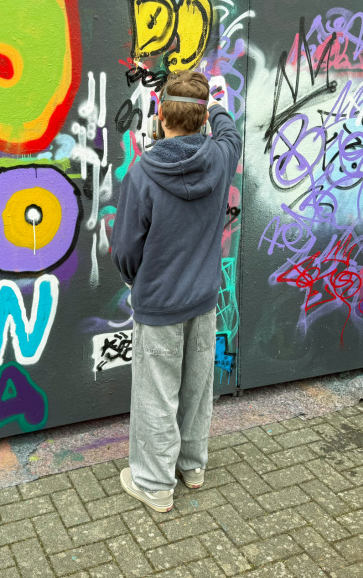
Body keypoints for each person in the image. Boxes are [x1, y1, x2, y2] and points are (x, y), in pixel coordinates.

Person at [110, 71, 241, 512]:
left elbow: (125, 249)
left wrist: (137, 281)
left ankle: (154, 484)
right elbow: (230, 132)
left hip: (159, 303)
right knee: (196, 389)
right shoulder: (221, 157)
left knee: (157, 394)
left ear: (160, 118)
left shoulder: (142, 173)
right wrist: (216, 104)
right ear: (203, 120)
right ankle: (192, 466)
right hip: (203, 300)